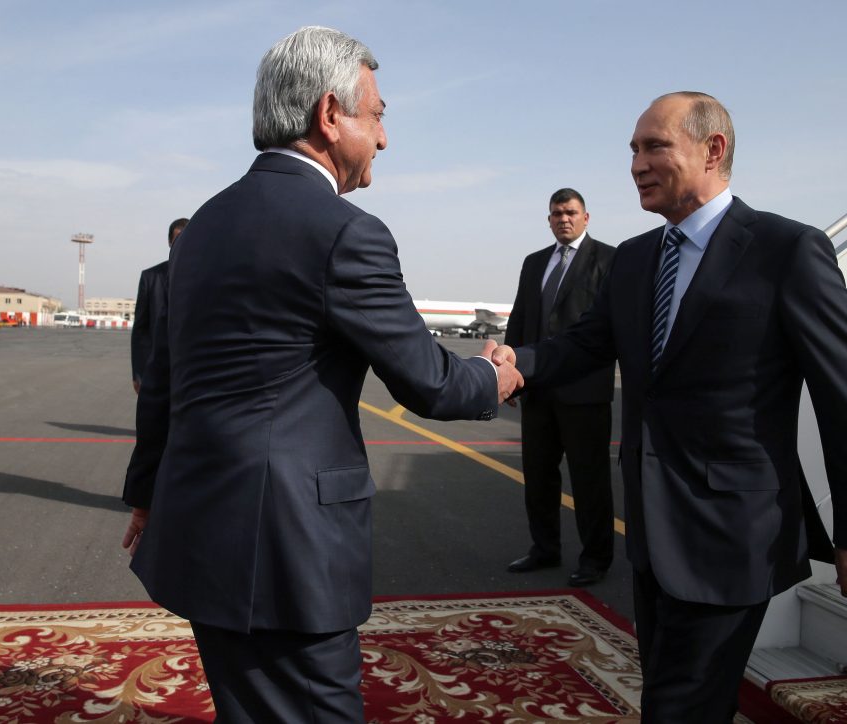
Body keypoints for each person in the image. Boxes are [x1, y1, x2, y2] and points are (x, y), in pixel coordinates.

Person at [120, 26, 522, 723]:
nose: (386, 139)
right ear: (330, 115)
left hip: (199, 529)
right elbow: (429, 381)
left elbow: (165, 378)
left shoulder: (206, 225)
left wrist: (146, 493)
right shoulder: (345, 231)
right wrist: (498, 377)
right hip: (283, 555)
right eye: (379, 115)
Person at [489, 92, 847, 722]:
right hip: (653, 533)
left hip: (734, 535)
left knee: (680, 705)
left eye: (654, 146)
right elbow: (580, 345)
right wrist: (514, 365)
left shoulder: (787, 251)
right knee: (672, 694)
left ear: (714, 150)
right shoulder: (636, 260)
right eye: (632, 149)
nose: (635, 164)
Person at [503, 188, 616, 586]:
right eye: (556, 214)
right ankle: (545, 549)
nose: (563, 219)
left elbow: (611, 328)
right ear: (548, 219)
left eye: (570, 213)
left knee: (589, 481)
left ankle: (596, 558)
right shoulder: (535, 263)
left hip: (584, 394)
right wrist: (512, 378)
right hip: (538, 391)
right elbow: (520, 321)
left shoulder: (608, 260)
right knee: (538, 477)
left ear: (586, 217)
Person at [131, 218, 188, 393]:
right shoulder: (150, 278)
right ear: (169, 242)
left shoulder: (205, 278)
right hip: (156, 371)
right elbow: (140, 330)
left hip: (190, 371)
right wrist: (138, 373)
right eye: (176, 239)